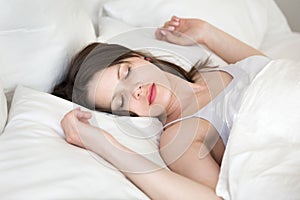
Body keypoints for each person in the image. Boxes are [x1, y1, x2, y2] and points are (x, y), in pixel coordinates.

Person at [52, 16, 270, 199]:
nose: (136, 90)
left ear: (140, 58)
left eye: (126, 73)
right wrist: (106, 145)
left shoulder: (209, 72)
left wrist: (204, 31)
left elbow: (272, 71)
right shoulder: (179, 137)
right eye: (120, 100)